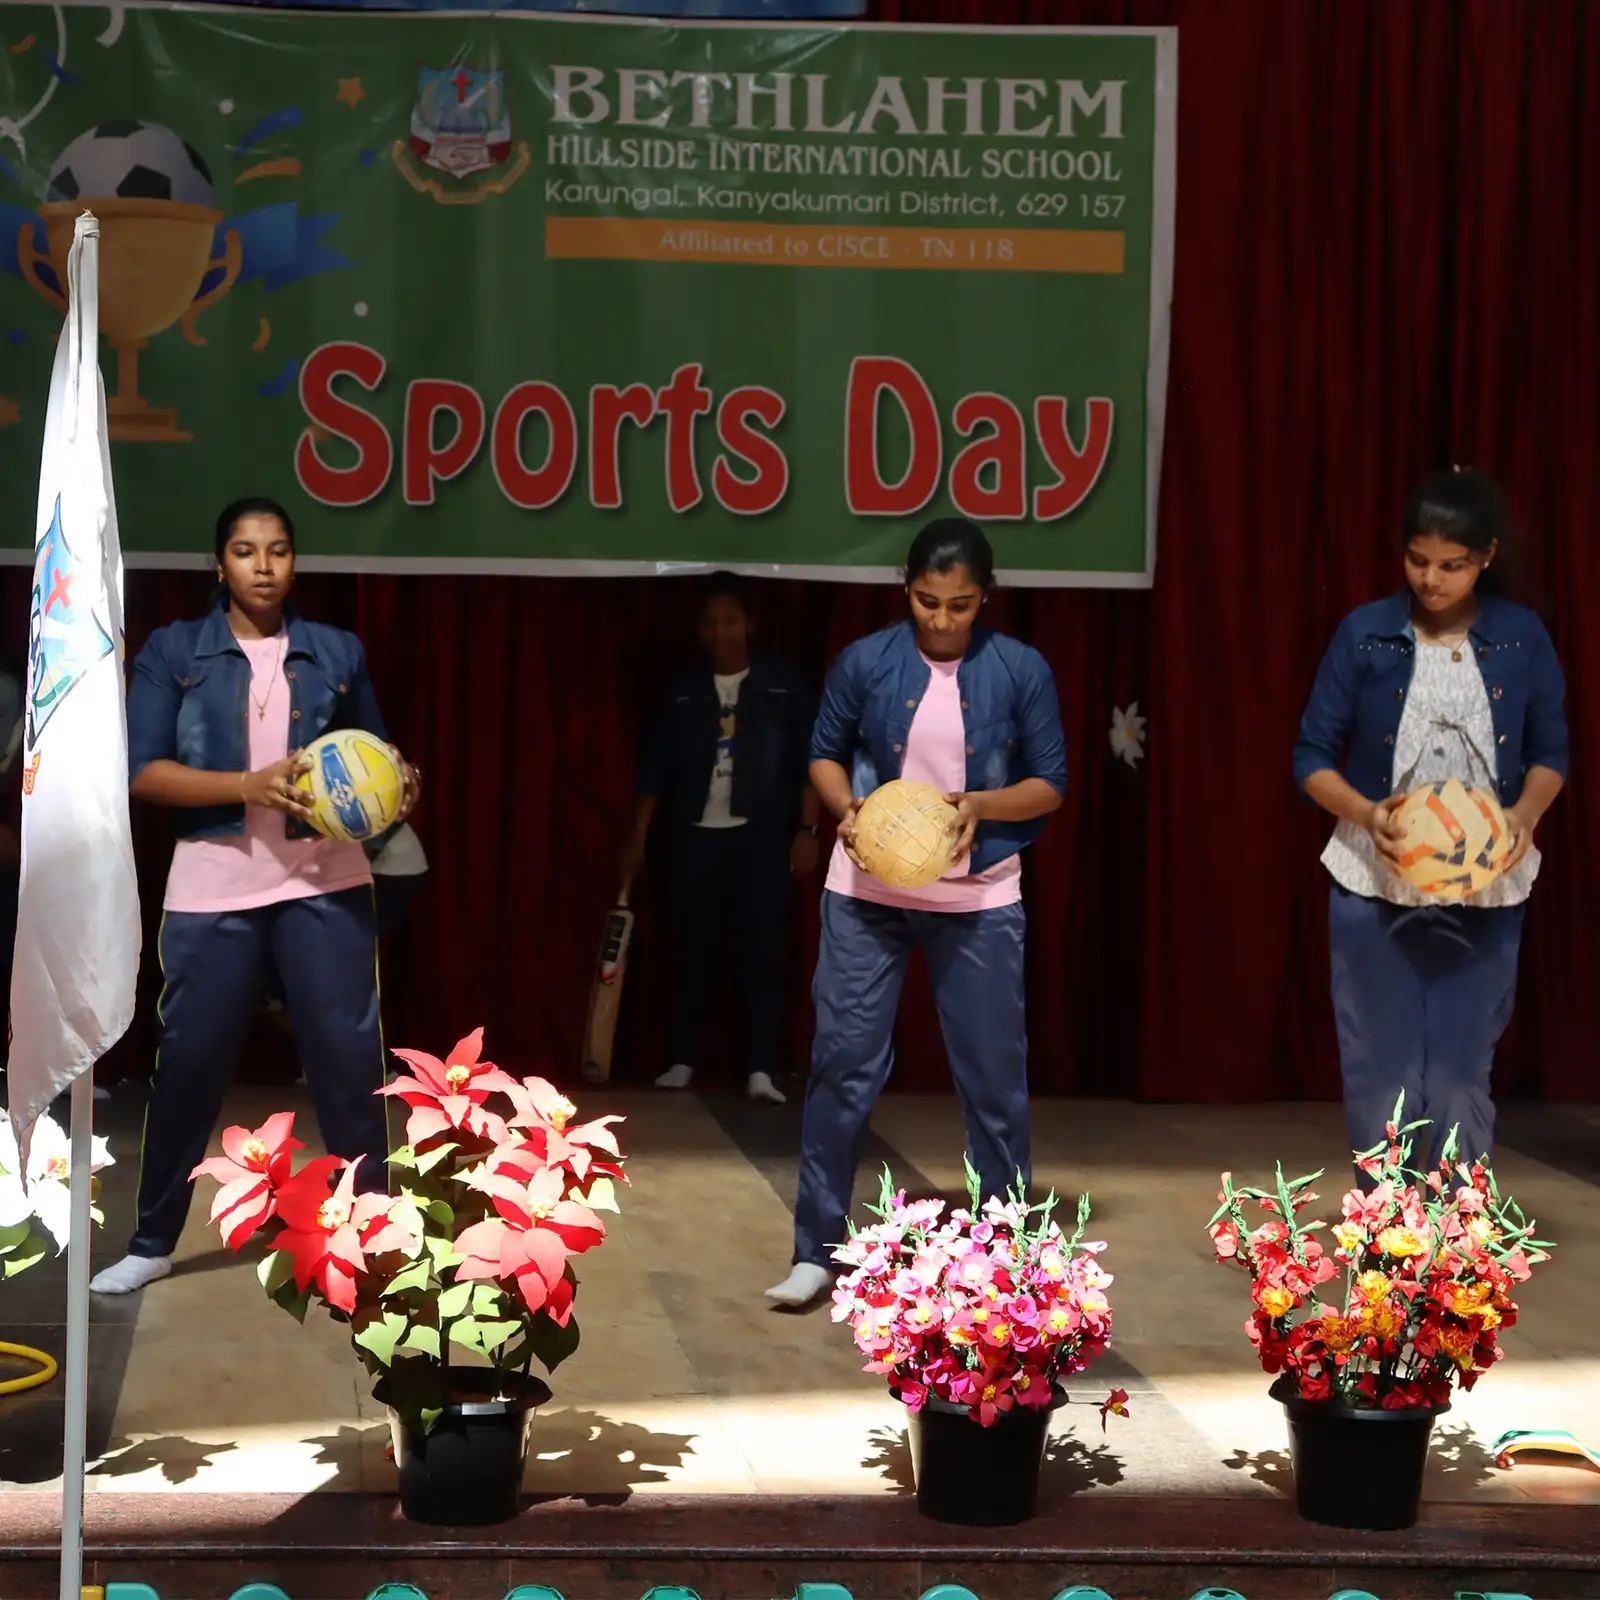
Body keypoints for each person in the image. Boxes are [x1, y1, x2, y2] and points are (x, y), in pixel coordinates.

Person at [89, 496, 420, 1294]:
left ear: (294, 564)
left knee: (348, 1066)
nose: (263, 566)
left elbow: (376, 755)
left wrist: (399, 782)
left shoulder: (336, 650)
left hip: (326, 882)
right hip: (214, 889)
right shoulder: (175, 650)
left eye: (277, 551)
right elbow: (141, 771)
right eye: (245, 551)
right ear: (220, 564)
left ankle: (375, 1232)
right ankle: (152, 1241)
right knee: (190, 1065)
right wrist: (248, 785)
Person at [766, 518, 1066, 1307]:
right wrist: (847, 811)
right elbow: (824, 753)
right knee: (842, 1064)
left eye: (960, 605)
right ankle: (815, 1251)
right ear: (906, 588)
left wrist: (982, 804)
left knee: (993, 1076)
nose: (941, 619)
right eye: (928, 602)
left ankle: (1005, 1257)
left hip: (978, 895)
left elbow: (1051, 783)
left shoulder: (1020, 669)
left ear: (985, 597)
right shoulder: (867, 661)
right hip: (867, 895)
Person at [1293, 469, 1567, 1176]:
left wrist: (1524, 815)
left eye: (1453, 565)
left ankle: (1453, 1232)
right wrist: (1366, 813)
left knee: (1455, 1072)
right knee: (1382, 1073)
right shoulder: (1365, 634)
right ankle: (1386, 1226)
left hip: (1485, 889)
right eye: (1418, 560)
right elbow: (1311, 757)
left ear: (1487, 557)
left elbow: (1550, 752)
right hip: (1372, 882)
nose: (1431, 580)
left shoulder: (1521, 639)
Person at [621, 572, 819, 1104]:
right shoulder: (682, 690)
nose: (721, 632)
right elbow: (654, 772)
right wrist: (637, 839)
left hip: (762, 836)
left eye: (731, 620)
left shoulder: (782, 684)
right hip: (694, 835)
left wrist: (807, 831)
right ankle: (683, 1058)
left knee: (763, 950)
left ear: (751, 624)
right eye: (711, 622)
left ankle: (760, 1069)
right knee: (691, 949)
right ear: (699, 629)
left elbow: (811, 763)